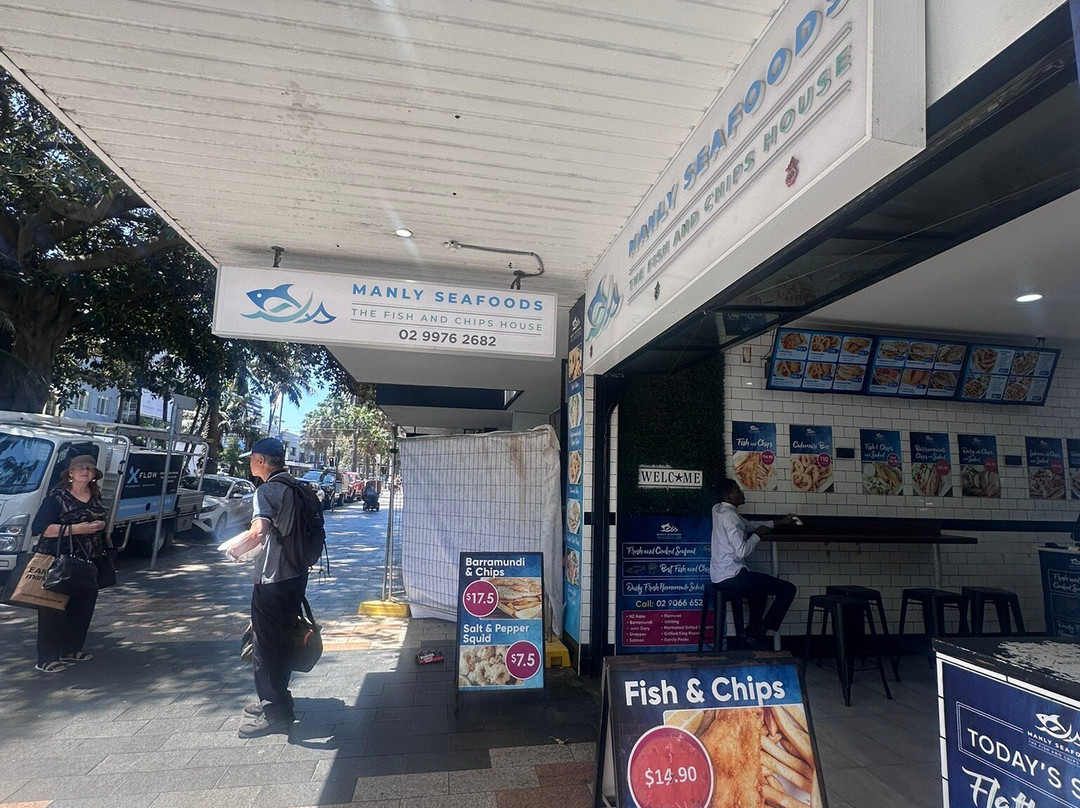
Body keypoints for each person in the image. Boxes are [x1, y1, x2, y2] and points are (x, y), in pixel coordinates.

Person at [225, 437, 308, 738]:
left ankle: (276, 714)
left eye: (251, 459)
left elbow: (259, 531)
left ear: (261, 461)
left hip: (273, 578)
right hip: (296, 574)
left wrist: (235, 551)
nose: (249, 463)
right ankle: (275, 700)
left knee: (265, 646)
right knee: (281, 640)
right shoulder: (297, 487)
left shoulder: (267, 490)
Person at [30, 454, 111, 673]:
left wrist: (100, 525)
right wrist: (77, 529)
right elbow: (41, 529)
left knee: (82, 607)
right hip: (58, 561)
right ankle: (47, 658)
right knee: (52, 607)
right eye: (81, 468)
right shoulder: (56, 498)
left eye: (90, 469)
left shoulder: (95, 496)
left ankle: (72, 649)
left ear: (94, 475)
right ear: (71, 474)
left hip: (88, 559)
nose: (86, 471)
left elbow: (101, 518)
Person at [708, 477, 797, 648]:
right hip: (731, 576)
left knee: (759, 588)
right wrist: (758, 535)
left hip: (719, 574)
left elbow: (748, 525)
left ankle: (752, 633)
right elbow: (742, 550)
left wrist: (777, 522)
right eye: (738, 491)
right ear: (728, 497)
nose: (742, 493)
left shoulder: (718, 509)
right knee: (788, 589)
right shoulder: (730, 517)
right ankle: (760, 630)